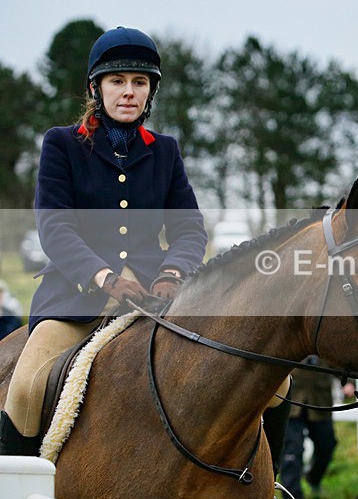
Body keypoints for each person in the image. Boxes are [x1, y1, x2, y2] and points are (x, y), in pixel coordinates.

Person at [0, 27, 209, 449]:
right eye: (117, 81)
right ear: (97, 88)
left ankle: (266, 489)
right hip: (76, 299)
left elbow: (189, 228)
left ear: (149, 92)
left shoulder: (165, 151)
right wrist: (105, 277)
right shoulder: (61, 144)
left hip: (157, 297)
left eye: (139, 82)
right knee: (25, 388)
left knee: (263, 381)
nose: (128, 92)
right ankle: (14, 495)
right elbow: (55, 226)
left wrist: (171, 273)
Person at [279, 358, 344, 499]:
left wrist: (351, 381)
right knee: (292, 450)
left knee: (327, 445)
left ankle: (313, 478)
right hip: (292, 403)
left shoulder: (326, 339)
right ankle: (293, 498)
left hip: (320, 402)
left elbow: (340, 362)